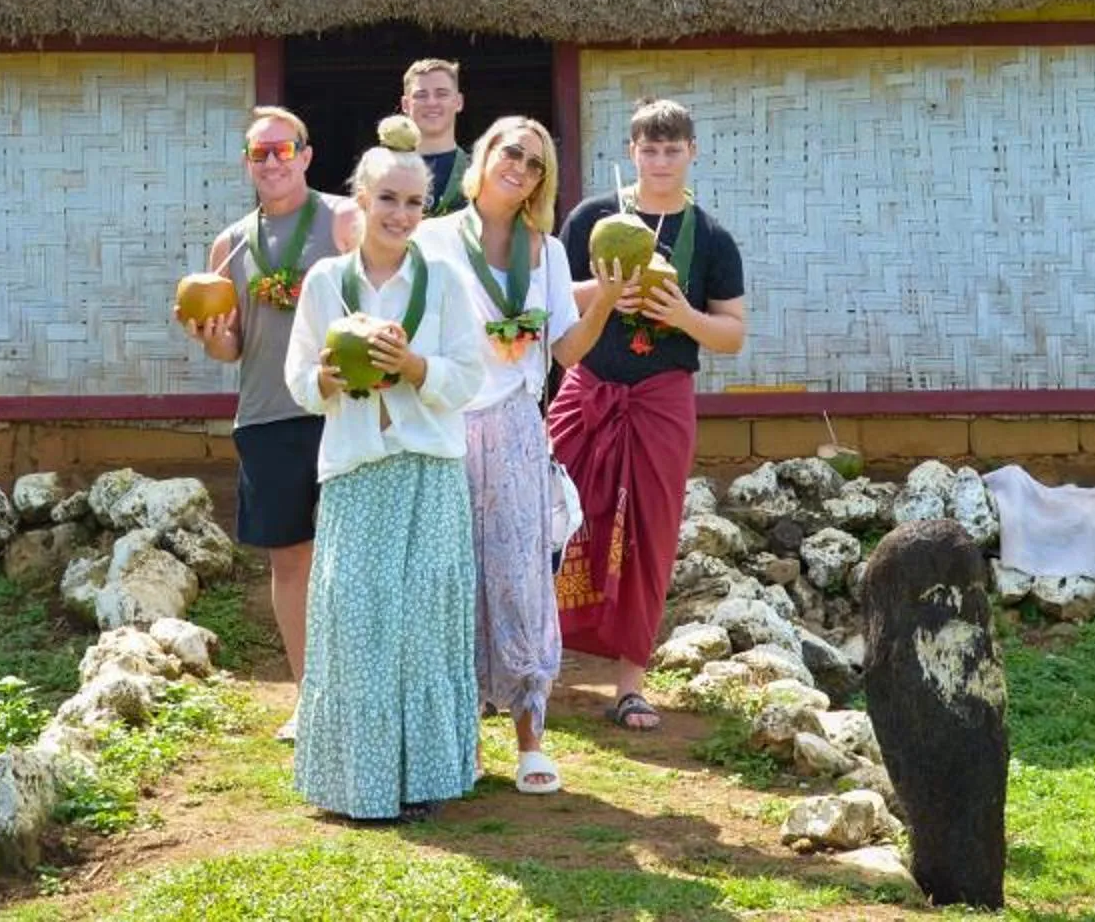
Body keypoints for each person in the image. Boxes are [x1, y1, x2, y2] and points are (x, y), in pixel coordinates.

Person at [285, 144, 487, 823]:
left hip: (428, 470)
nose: (400, 213)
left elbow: (470, 378)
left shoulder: (447, 282)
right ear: (360, 199)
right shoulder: (324, 283)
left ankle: (422, 776)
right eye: (387, 199)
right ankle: (357, 782)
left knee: (421, 624)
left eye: (413, 202)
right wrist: (326, 379)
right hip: (354, 473)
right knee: (358, 619)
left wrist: (412, 364)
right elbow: (298, 380)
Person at [417, 114, 615, 795]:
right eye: (511, 152)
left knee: (521, 576)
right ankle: (459, 738)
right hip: (444, 423)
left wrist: (607, 300)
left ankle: (530, 736)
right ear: (484, 156)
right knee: (452, 578)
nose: (520, 168)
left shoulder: (548, 252)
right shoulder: (433, 239)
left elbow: (566, 351)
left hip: (517, 426)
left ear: (541, 181)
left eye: (534, 163)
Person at [551, 96, 748, 732]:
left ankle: (630, 683)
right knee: (552, 516)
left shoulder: (712, 237)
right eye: (649, 148)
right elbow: (551, 295)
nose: (660, 160)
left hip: (662, 395)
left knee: (650, 533)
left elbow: (732, 333)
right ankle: (535, 664)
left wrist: (680, 315)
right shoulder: (593, 218)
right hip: (589, 386)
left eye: (672, 149)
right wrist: (607, 293)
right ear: (631, 152)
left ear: (692, 153)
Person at [186, 105, 353, 742]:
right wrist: (213, 340)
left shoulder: (344, 221)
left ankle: (359, 689)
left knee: (354, 558)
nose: (273, 162)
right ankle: (311, 696)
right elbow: (235, 348)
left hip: (340, 409)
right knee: (290, 562)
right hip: (266, 413)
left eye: (285, 150)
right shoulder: (228, 247)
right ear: (247, 164)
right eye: (261, 154)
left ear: (307, 155)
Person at [400, 57, 469, 215]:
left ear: (459, 102)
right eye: (421, 95)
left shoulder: (479, 172)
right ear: (405, 104)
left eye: (442, 94)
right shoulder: (384, 168)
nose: (431, 102)